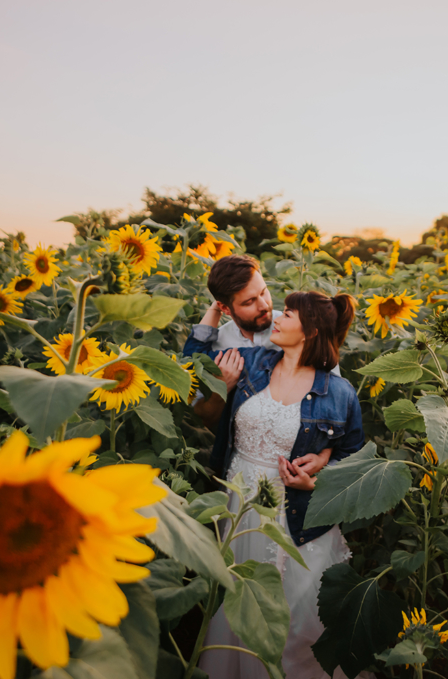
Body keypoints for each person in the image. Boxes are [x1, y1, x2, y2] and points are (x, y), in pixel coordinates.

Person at [184, 291, 366, 679]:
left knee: (300, 622)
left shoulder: (339, 393)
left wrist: (318, 477)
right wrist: (220, 374)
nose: (278, 317)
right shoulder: (249, 364)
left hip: (295, 516)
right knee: (239, 605)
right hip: (238, 504)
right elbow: (188, 366)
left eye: (290, 313)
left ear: (311, 330)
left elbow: (355, 459)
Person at [191, 254, 279, 431]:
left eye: (263, 292)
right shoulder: (218, 345)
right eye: (249, 302)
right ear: (224, 308)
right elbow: (201, 417)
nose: (264, 305)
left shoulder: (294, 328)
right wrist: (220, 389)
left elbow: (334, 396)